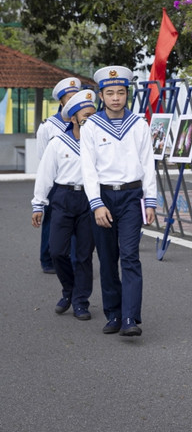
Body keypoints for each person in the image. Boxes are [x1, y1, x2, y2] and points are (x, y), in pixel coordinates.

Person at [80, 66, 157, 337]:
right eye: (110, 93)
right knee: (108, 258)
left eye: (121, 92)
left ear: (127, 94)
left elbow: (148, 163)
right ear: (101, 95)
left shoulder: (139, 124)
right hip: (103, 196)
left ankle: (130, 318)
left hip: (131, 196)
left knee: (130, 256)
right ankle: (113, 313)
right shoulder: (91, 126)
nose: (115, 98)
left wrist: (150, 200)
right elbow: (87, 169)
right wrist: (96, 204)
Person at [32, 90, 97, 321]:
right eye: (84, 115)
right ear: (73, 118)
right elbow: (45, 174)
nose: (89, 118)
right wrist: (38, 204)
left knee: (84, 255)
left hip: (89, 200)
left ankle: (81, 301)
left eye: (92, 114)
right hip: (63, 197)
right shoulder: (59, 142)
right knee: (57, 251)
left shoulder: (99, 142)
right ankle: (68, 289)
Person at [36, 77, 81, 273]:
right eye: (68, 98)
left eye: (75, 97)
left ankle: (73, 260)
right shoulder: (48, 126)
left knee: (77, 224)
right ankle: (47, 259)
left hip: (78, 181)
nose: (72, 102)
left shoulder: (85, 122)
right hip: (55, 182)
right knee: (51, 221)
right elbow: (42, 158)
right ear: (61, 101)